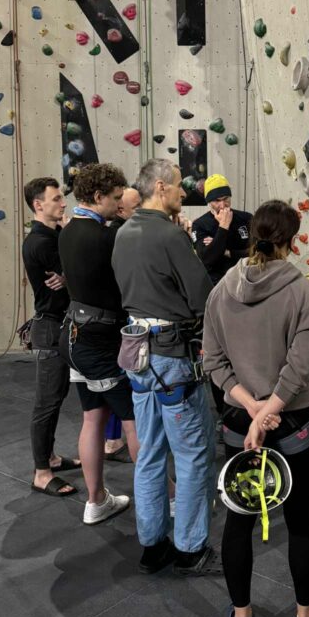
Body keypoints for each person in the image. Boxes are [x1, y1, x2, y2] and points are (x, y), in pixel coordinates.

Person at [203, 200, 309, 617]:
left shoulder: (222, 289)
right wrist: (270, 409)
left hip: (241, 424)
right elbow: (302, 361)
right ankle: (304, 616)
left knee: (239, 522)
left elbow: (213, 361)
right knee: (301, 523)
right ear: (291, 240)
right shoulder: (301, 291)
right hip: (294, 423)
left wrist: (252, 409)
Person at [112, 159, 218, 576]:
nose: (183, 193)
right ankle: (190, 547)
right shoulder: (171, 236)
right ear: (160, 187)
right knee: (192, 454)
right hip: (171, 357)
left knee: (150, 453)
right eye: (177, 186)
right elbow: (202, 297)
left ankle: (152, 543)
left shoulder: (123, 233)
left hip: (137, 355)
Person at [58, 163, 139, 525]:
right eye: (116, 198)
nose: (120, 204)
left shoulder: (67, 232)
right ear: (97, 196)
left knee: (93, 418)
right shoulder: (106, 238)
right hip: (99, 342)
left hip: (75, 336)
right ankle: (168, 498)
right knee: (133, 421)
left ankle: (96, 501)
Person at [22, 177, 80, 497]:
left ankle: (52, 458)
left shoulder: (54, 235)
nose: (63, 203)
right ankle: (42, 473)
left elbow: (72, 275)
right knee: (47, 402)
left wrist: (68, 276)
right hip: (50, 327)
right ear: (38, 205)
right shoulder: (41, 241)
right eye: (56, 198)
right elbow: (81, 274)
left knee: (56, 398)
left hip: (59, 324)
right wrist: (71, 276)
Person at [191, 174, 252, 429]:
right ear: (208, 202)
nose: (222, 205)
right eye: (216, 201)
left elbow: (256, 252)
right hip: (218, 296)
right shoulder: (201, 224)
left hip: (247, 292)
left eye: (226, 198)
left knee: (246, 353)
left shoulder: (246, 219)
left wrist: (225, 250)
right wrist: (223, 229)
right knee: (220, 356)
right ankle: (224, 415)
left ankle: (249, 404)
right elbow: (207, 259)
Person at [103, 186, 143, 463]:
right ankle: (116, 439)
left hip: (119, 315)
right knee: (122, 380)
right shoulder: (122, 235)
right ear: (121, 210)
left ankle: (112, 438)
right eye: (136, 207)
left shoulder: (120, 232)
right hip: (121, 317)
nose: (142, 210)